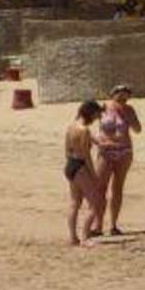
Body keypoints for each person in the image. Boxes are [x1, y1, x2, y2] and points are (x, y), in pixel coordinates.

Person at [93, 85, 142, 235]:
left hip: (124, 151)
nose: (122, 99)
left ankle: (113, 225)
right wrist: (98, 141)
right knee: (100, 187)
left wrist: (129, 117)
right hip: (106, 151)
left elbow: (138, 130)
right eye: (119, 96)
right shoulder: (103, 108)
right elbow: (90, 127)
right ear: (112, 95)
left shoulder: (129, 110)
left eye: (125, 97)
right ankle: (98, 225)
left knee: (118, 187)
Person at [64, 100, 105, 246]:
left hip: (70, 165)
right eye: (96, 114)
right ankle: (85, 237)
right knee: (95, 202)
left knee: (75, 202)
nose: (97, 117)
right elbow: (86, 155)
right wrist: (93, 174)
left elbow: (68, 149)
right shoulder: (85, 131)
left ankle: (73, 237)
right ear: (91, 114)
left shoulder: (71, 126)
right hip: (80, 166)